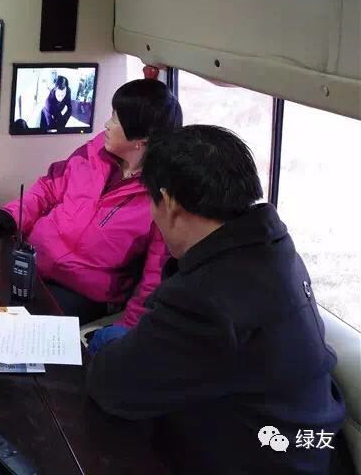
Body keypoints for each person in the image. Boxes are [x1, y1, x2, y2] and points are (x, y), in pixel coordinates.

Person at [86, 125, 347, 475]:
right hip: (308, 446)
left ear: (170, 203)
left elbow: (113, 388)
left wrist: (105, 346)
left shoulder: (206, 299)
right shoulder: (272, 246)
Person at [0, 79, 182, 328]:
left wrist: (126, 330)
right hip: (34, 261)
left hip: (81, 292)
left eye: (116, 119)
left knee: (11, 328)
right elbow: (48, 187)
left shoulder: (161, 199)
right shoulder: (93, 151)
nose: (107, 125)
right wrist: (12, 215)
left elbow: (154, 277)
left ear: (143, 136)